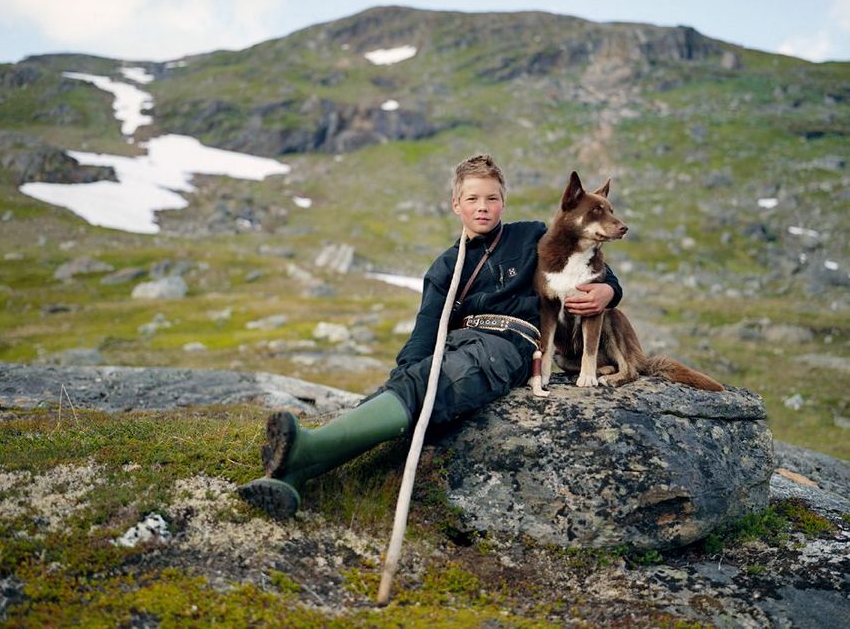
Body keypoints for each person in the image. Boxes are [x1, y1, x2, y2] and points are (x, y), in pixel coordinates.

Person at [238, 154, 622, 519]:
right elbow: (425, 334)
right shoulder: (444, 267)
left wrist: (611, 291)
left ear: (504, 202)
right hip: (457, 344)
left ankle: (305, 450)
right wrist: (402, 375)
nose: (483, 207)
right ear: (457, 204)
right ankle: (292, 479)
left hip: (508, 346)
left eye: (492, 198)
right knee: (410, 382)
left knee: (438, 379)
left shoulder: (530, 236)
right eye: (472, 199)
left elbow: (584, 264)